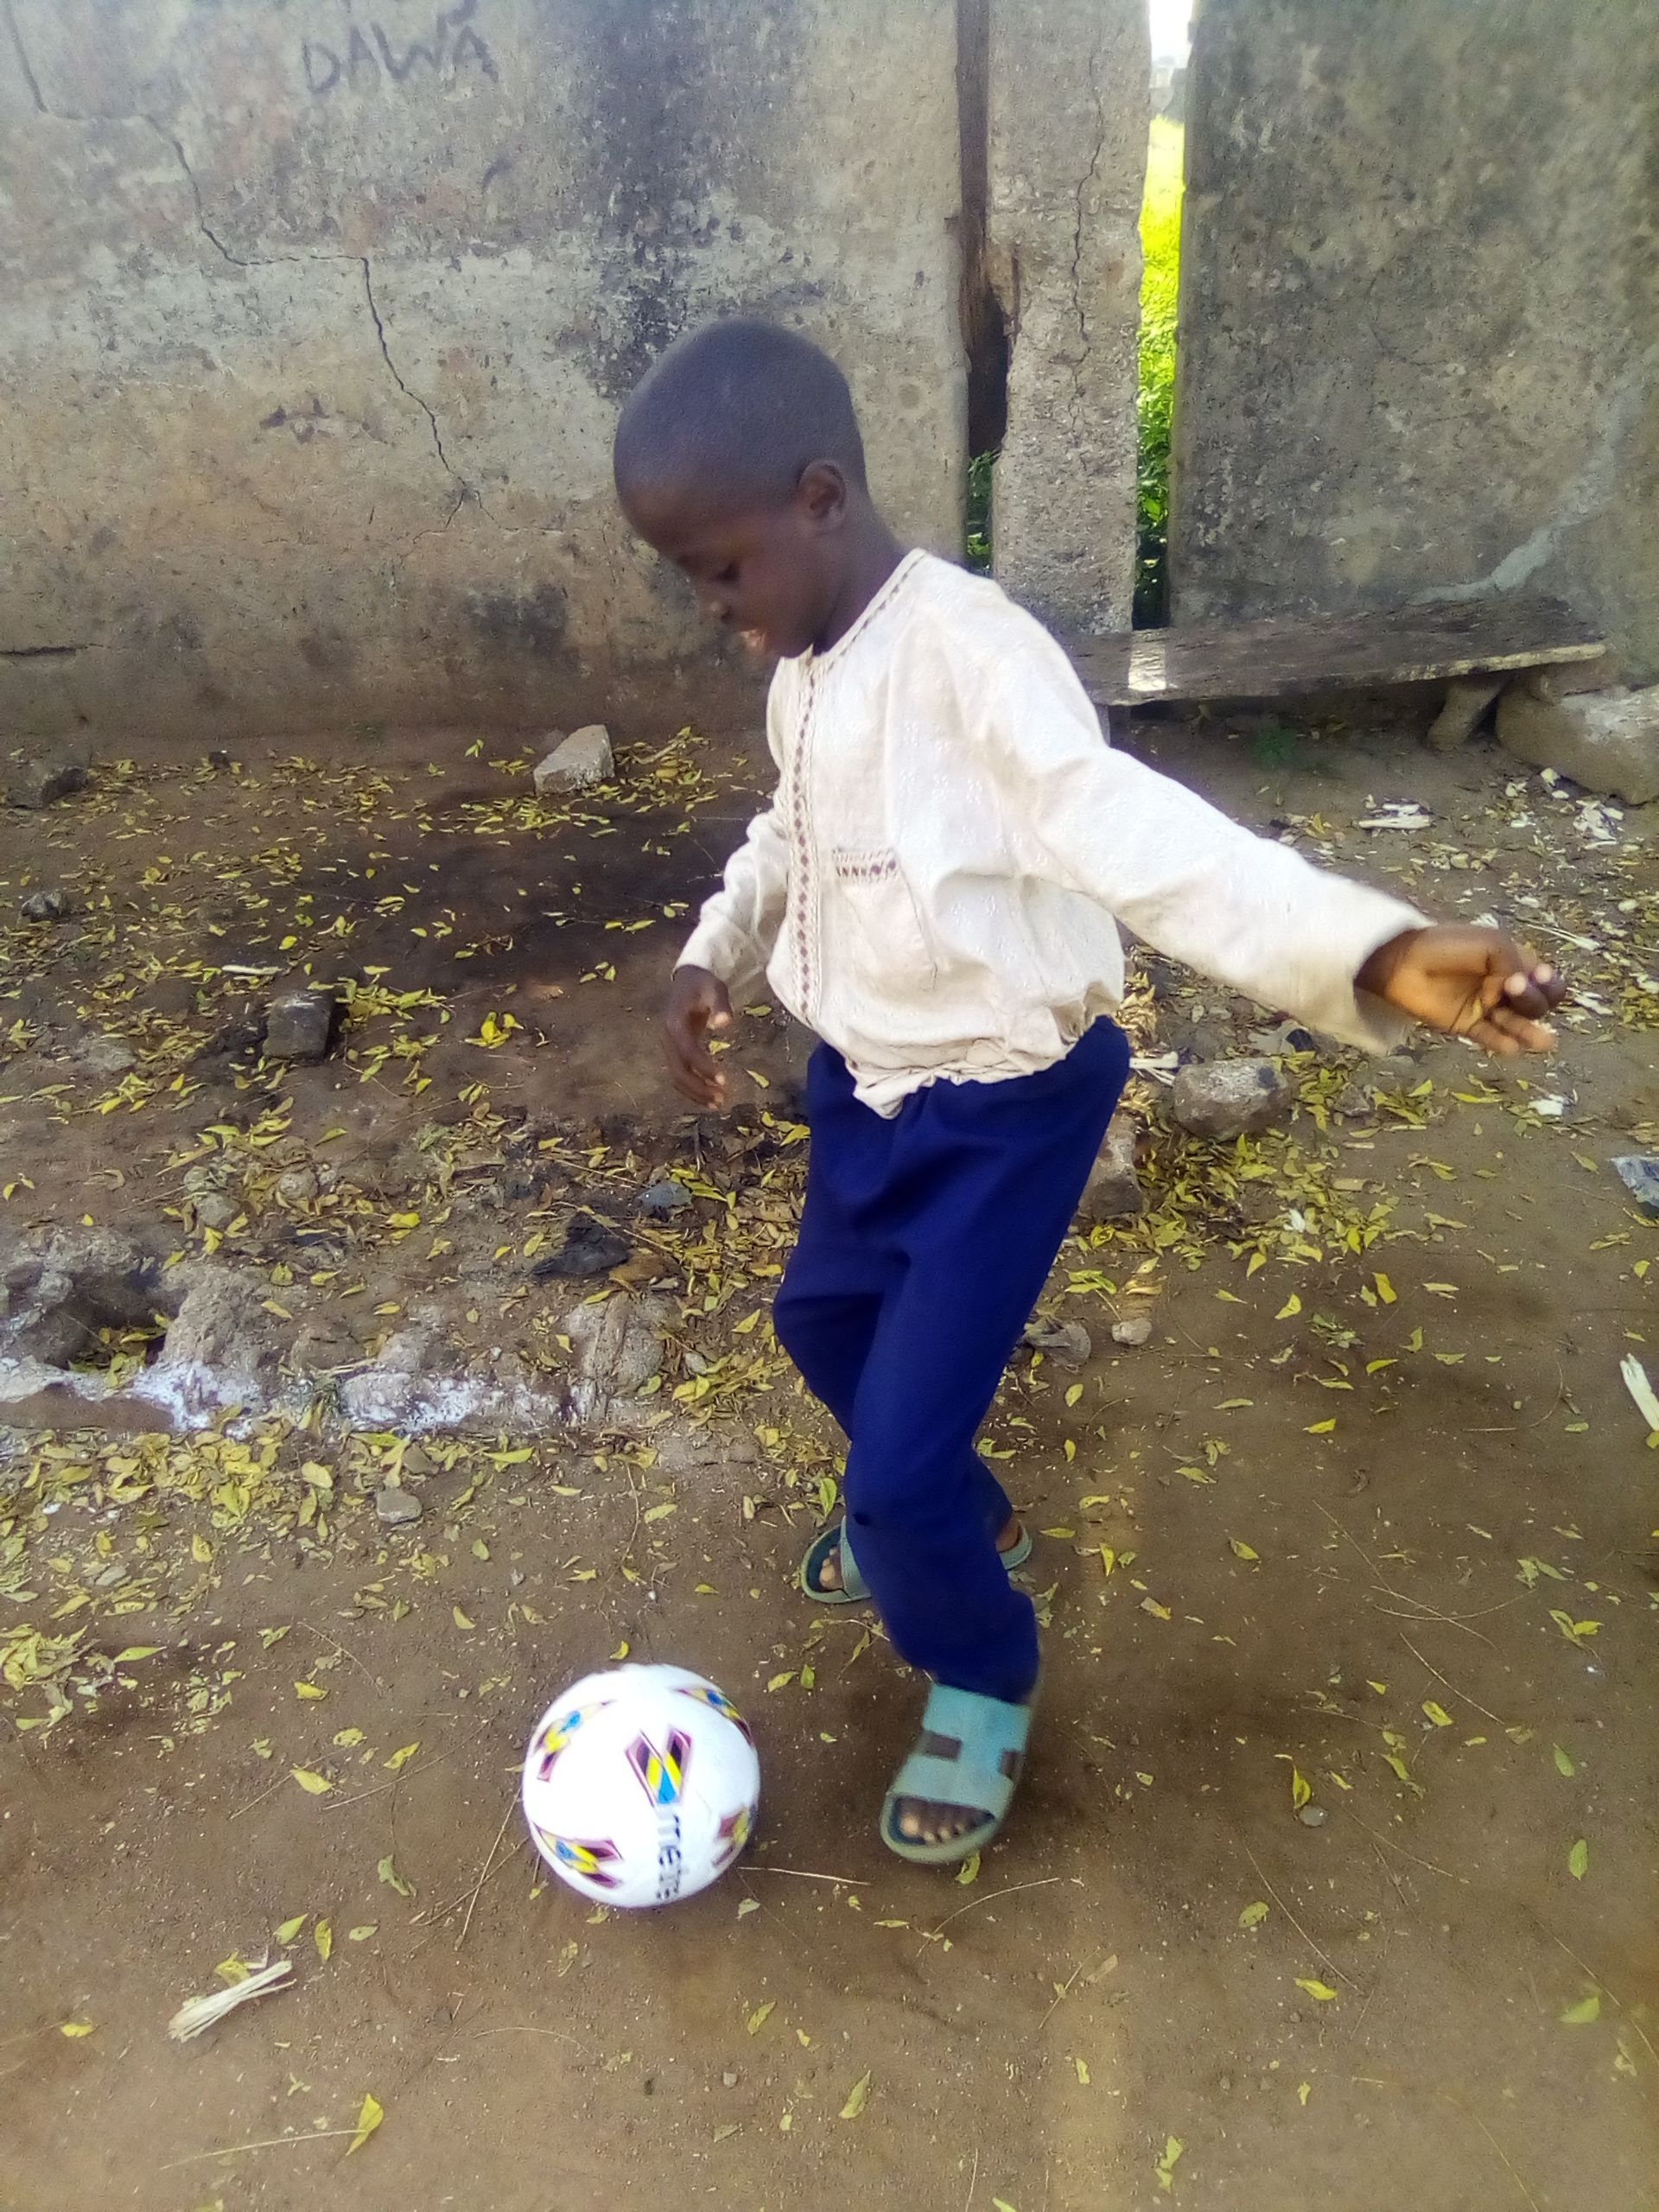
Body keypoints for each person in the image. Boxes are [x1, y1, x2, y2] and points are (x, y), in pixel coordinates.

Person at [612, 318, 1565, 1867]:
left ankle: (980, 1668)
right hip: (868, 1089)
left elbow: (1145, 837)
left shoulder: (974, 659)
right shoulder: (806, 672)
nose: (713, 610)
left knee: (892, 1473)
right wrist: (709, 956)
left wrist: (1371, 949)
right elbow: (787, 831)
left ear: (819, 498)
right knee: (821, 1323)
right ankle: (956, 1516)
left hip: (1004, 1111)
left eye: (720, 570)